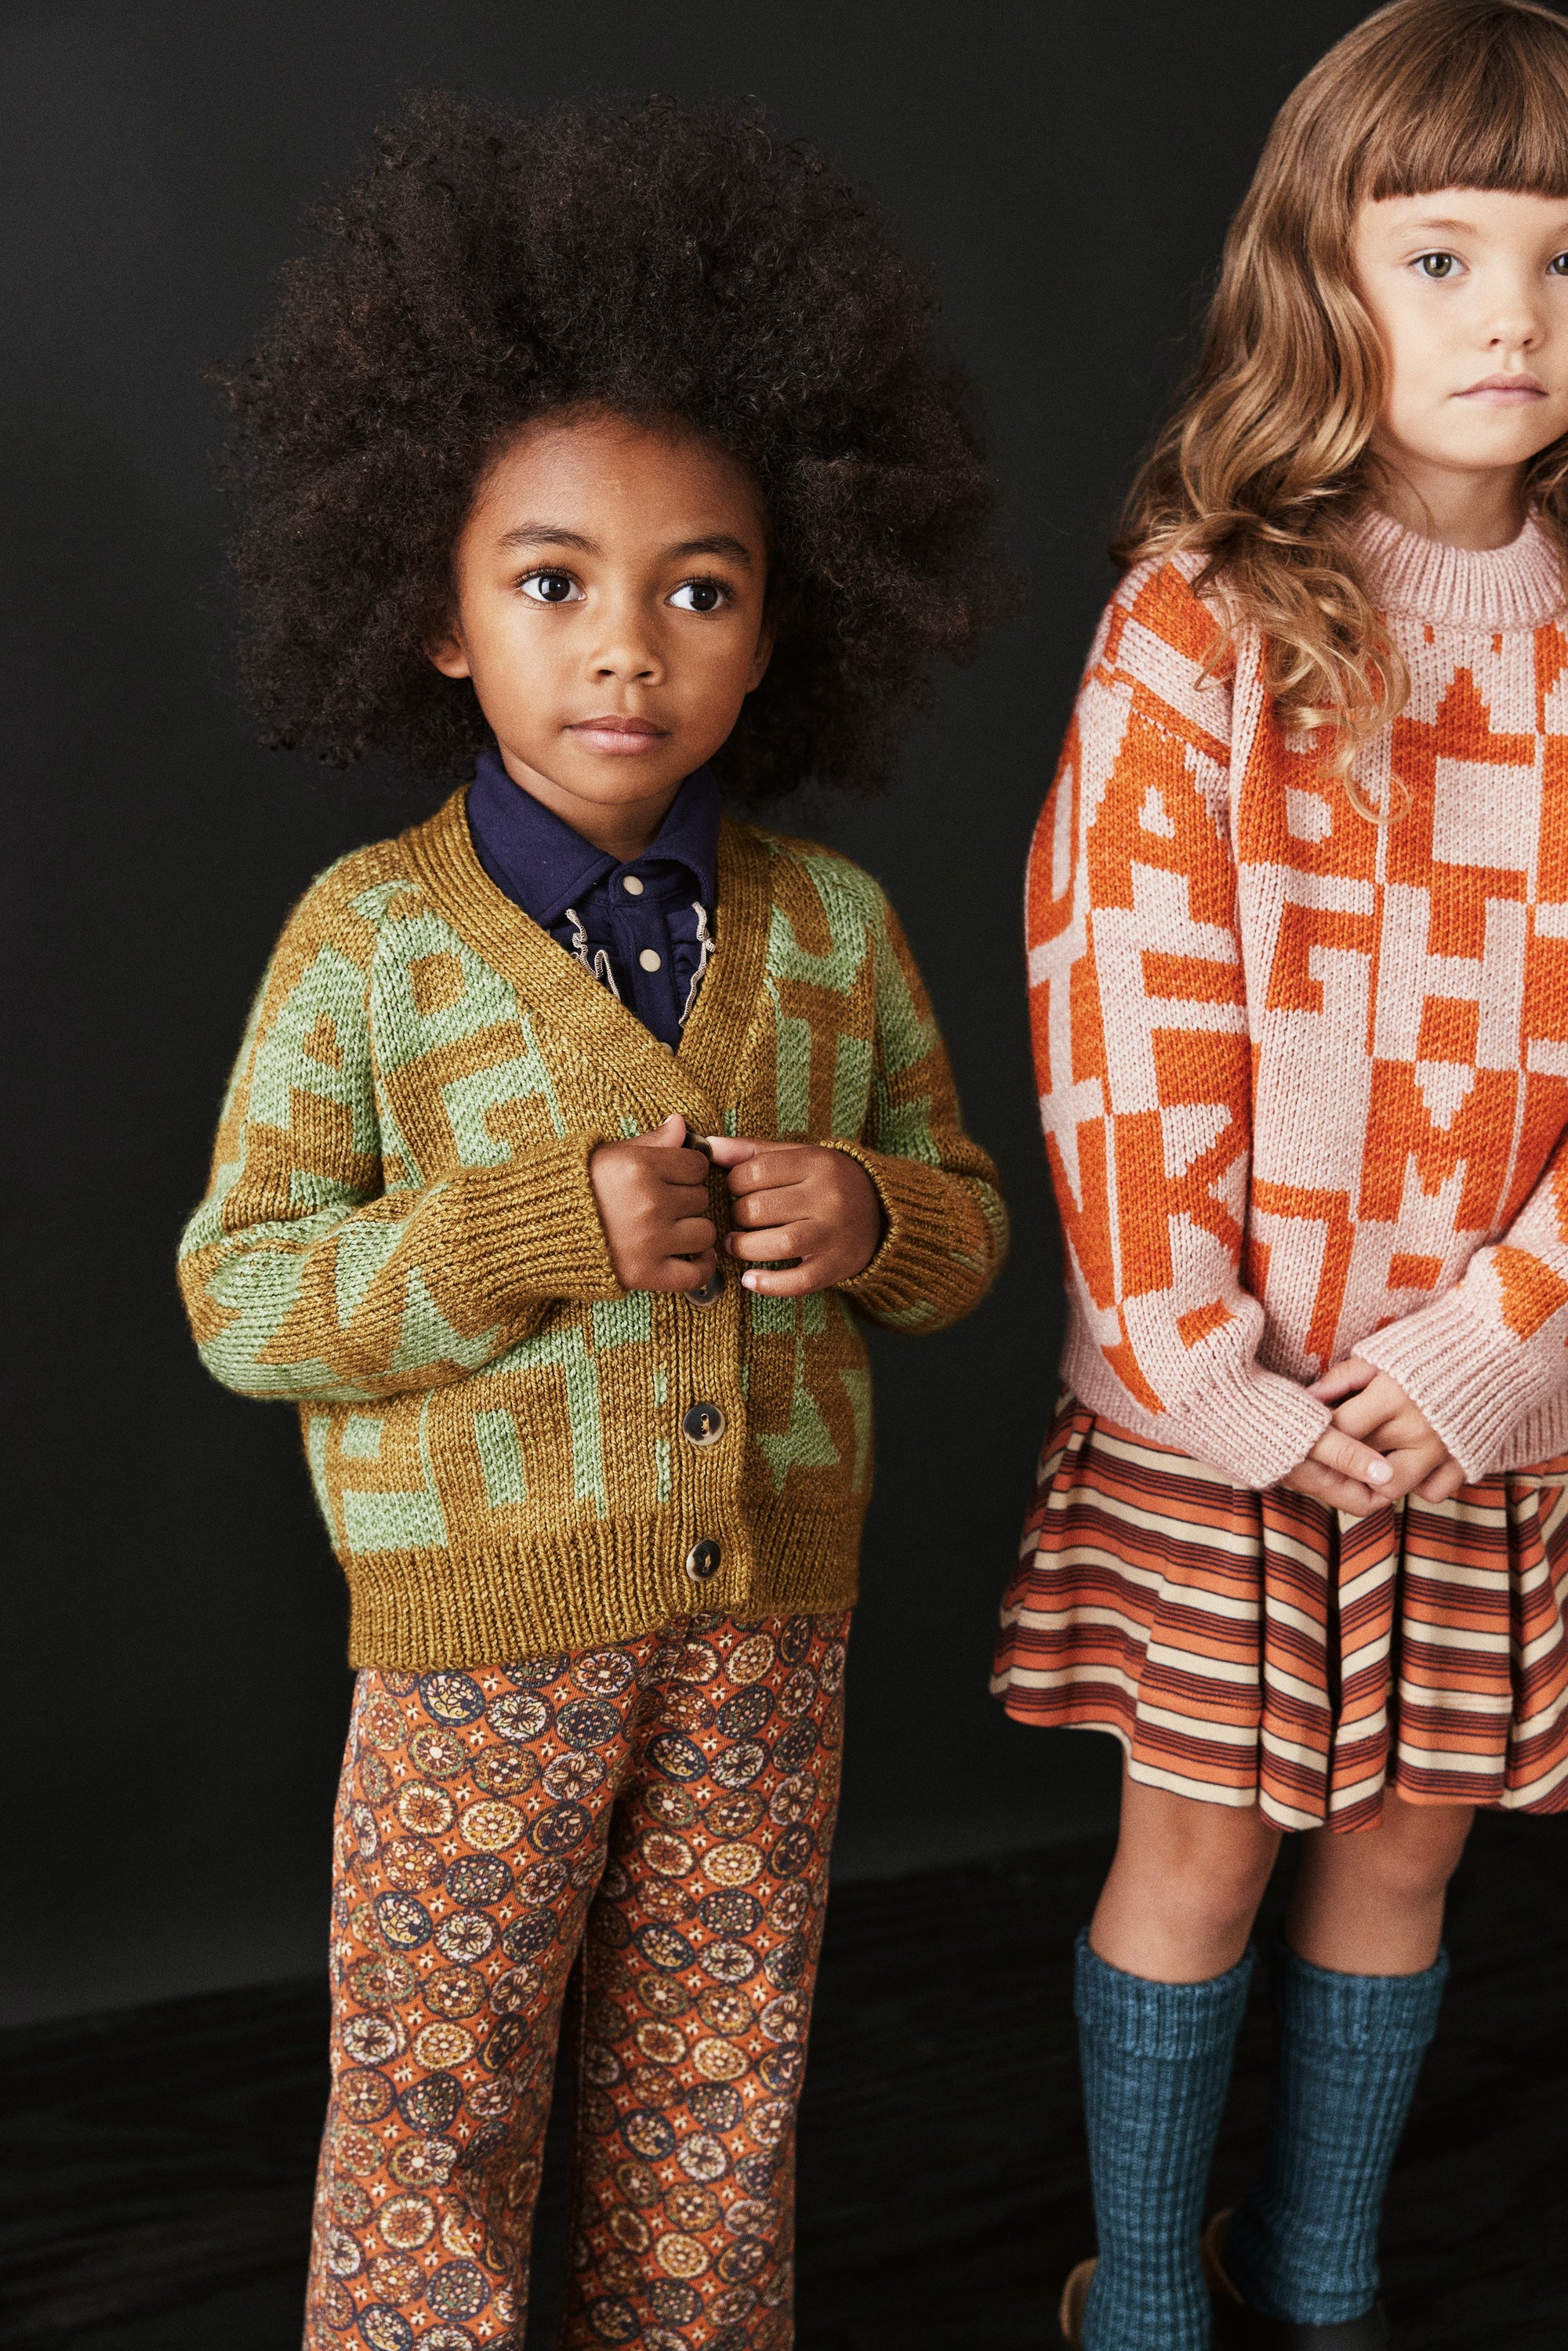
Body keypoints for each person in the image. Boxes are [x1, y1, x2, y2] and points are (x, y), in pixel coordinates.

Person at [177, 93, 1007, 2351]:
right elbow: (244, 1291)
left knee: (719, 2090)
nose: (626, 648)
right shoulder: (370, 943)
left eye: (697, 590)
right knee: (436, 2100)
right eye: (553, 583)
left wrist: (871, 1217)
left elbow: (964, 1229)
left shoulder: (830, 932)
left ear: (779, 630)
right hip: (476, 1643)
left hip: (770, 1634)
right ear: (437, 617)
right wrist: (518, 1233)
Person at [990, 2, 1568, 2343]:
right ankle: (1147, 2294)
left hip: (1480, 1417)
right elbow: (1112, 1010)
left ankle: (1321, 2278)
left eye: (1565, 261)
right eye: (1443, 258)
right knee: (1202, 1858)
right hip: (1224, 1412)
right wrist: (1210, 1377)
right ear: (1324, 276)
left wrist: (1494, 1347)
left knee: (1406, 1860)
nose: (1513, 315)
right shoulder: (1199, 623)